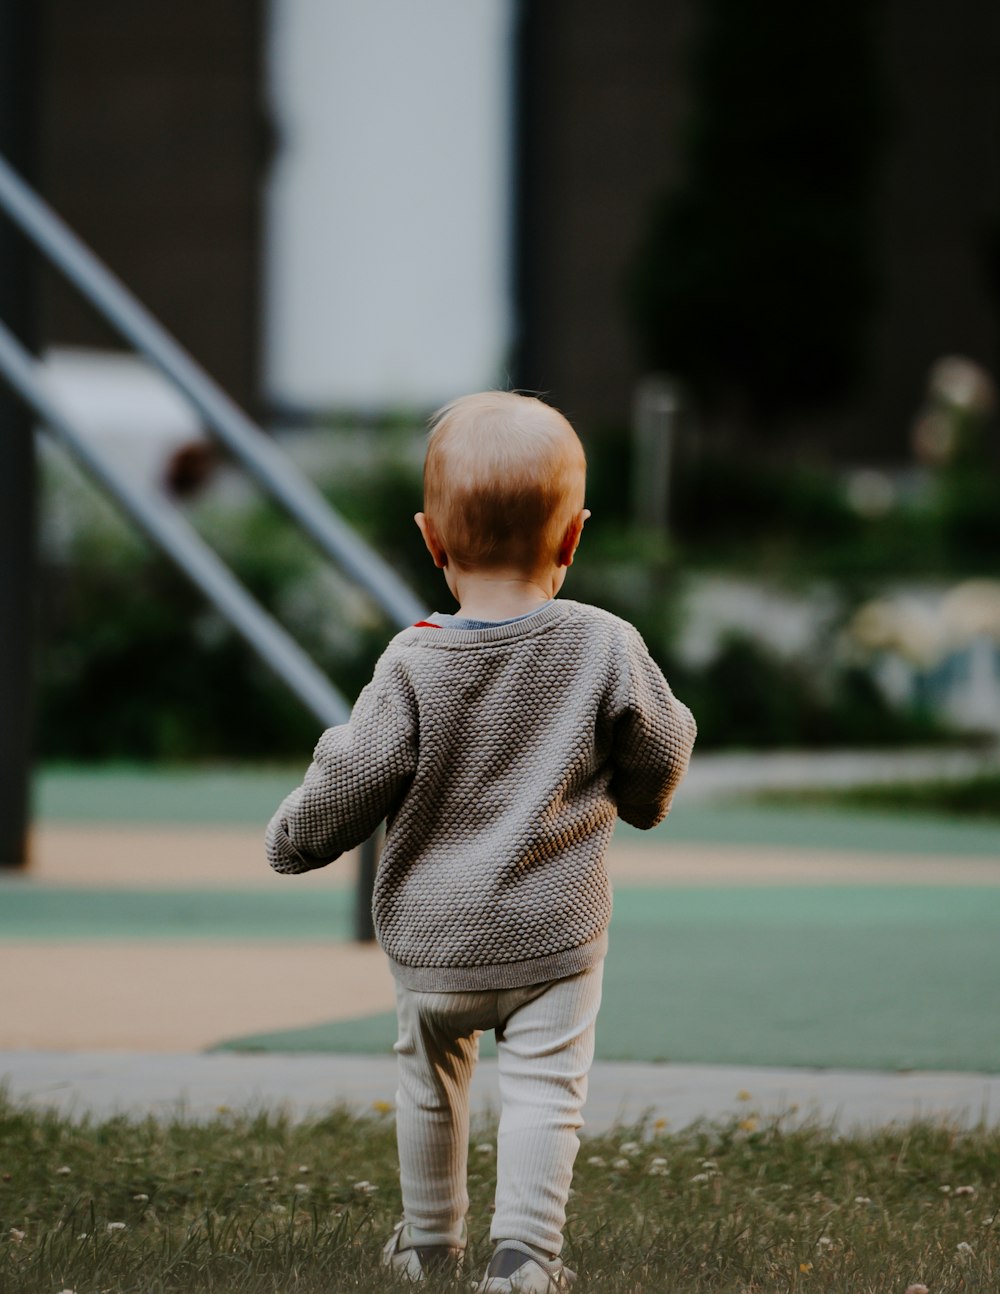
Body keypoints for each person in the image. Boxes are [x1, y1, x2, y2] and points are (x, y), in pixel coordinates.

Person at [266, 391, 696, 1293]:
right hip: (552, 933)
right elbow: (663, 742)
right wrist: (641, 796)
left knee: (429, 1081)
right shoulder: (605, 644)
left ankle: (429, 1242)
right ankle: (527, 1255)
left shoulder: (413, 659)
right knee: (545, 1089)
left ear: (432, 541)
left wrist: (295, 839)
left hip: (435, 942)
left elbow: (355, 772)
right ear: (574, 538)